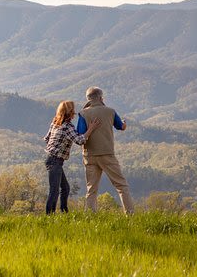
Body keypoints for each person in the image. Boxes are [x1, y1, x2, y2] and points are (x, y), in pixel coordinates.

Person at [76, 86, 134, 214]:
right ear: (101, 97)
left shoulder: (83, 114)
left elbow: (80, 134)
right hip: (107, 154)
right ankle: (130, 215)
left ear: (88, 99)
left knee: (91, 189)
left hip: (89, 155)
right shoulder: (110, 111)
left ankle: (90, 216)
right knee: (121, 186)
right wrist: (124, 123)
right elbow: (121, 127)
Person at [44, 100, 100, 214]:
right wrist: (91, 128)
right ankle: (49, 216)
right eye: (73, 110)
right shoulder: (67, 126)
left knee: (65, 188)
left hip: (52, 159)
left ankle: (64, 212)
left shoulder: (55, 122)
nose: (74, 112)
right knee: (54, 190)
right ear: (70, 112)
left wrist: (56, 145)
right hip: (55, 161)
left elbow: (46, 138)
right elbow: (79, 140)